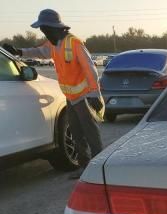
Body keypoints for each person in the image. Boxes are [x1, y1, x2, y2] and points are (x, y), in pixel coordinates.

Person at [3, 9, 104, 179]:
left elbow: (90, 69)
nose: (42, 31)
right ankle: (85, 168)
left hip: (84, 97)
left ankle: (100, 170)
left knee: (91, 134)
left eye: (44, 28)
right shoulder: (52, 43)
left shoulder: (75, 43)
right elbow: (39, 52)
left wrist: (94, 94)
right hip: (71, 98)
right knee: (77, 134)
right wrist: (19, 52)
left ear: (54, 27)